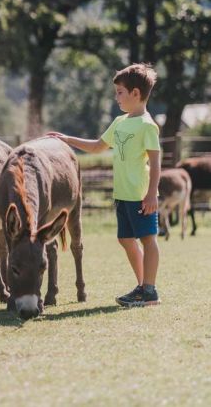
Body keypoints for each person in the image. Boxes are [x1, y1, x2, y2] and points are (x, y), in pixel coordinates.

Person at [47, 63, 161, 307]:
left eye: (120, 92)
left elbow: (156, 162)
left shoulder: (147, 126)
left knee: (148, 239)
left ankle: (149, 290)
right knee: (125, 239)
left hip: (141, 196)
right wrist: (66, 139)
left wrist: (152, 194)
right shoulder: (120, 122)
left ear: (136, 94)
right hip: (122, 195)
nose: (116, 97)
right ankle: (143, 287)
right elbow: (98, 146)